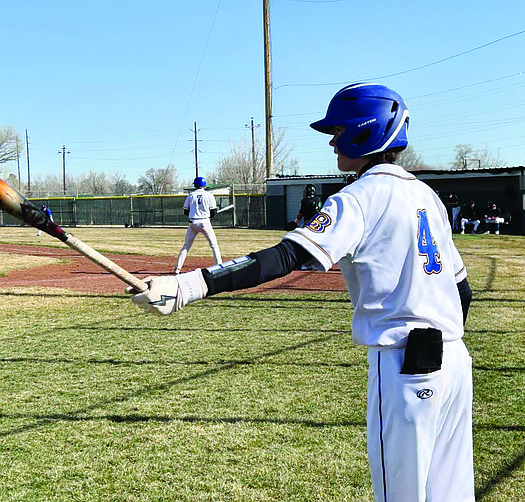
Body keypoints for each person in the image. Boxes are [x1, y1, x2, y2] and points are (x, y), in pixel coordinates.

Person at [128, 83, 475, 502]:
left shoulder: (359, 197)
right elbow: (463, 290)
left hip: (405, 362)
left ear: (364, 132)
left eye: (338, 131)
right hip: (455, 362)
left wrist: (188, 285)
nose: (332, 142)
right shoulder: (427, 196)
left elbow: (283, 258)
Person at [173, 177, 223, 274]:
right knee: (214, 246)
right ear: (204, 185)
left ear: (195, 185)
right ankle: (220, 266)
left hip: (193, 222)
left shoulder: (191, 195)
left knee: (186, 246)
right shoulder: (209, 195)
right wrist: (205, 216)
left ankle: (177, 269)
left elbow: (185, 211)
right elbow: (213, 212)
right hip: (205, 222)